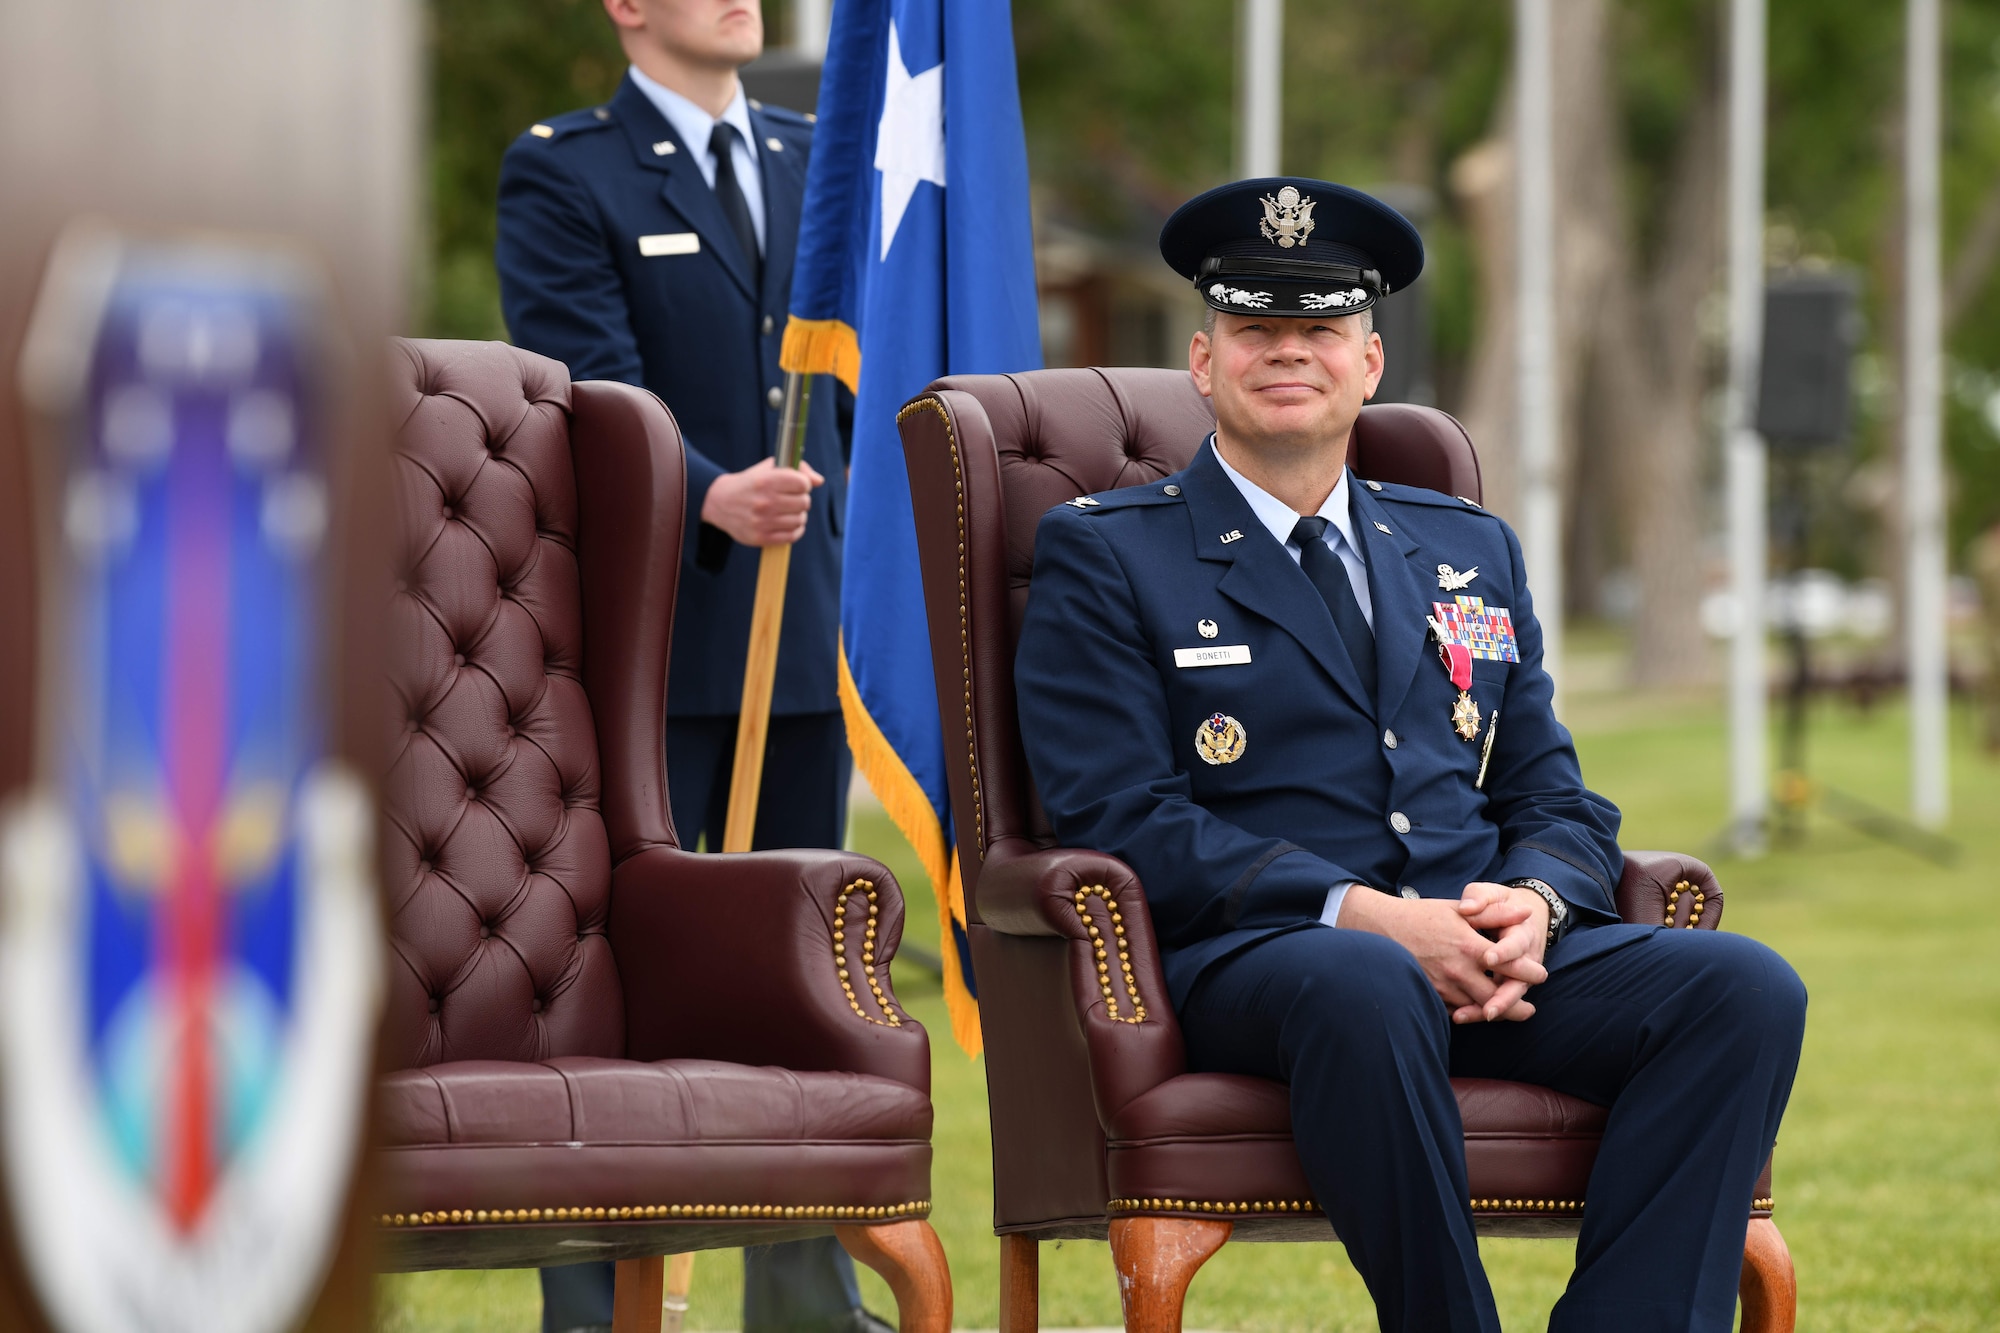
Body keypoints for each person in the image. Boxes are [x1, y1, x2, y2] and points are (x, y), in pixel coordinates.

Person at [1013, 177, 1808, 1333]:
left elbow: (1549, 788)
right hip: (1268, 961)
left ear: (1368, 363)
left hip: (1479, 948)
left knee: (1739, 989)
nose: (1288, 355)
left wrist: (1534, 901)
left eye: (1320, 332)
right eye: (1254, 331)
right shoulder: (1106, 555)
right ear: (1202, 360)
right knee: (1366, 978)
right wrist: (1367, 916)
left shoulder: (1463, 547)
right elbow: (1118, 813)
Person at [494, 2, 880, 1331]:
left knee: (793, 977)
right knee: (611, 976)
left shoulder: (817, 156)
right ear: (626, 5)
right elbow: (582, 390)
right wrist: (711, 497)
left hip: (804, 634)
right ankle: (593, 1307)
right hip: (659, 632)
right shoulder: (566, 166)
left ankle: (801, 1302)